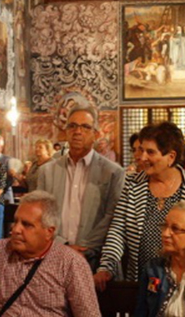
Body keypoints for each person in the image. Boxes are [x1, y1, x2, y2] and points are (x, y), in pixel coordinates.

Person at [94, 122, 185, 290]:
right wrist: (106, 268)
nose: (142, 157)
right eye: (140, 150)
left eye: (150, 152)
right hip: (140, 283)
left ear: (171, 157)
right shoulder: (131, 185)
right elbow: (117, 231)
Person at [38, 105, 125, 271]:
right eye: (72, 126)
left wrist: (84, 249)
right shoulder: (47, 171)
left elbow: (112, 217)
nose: (78, 131)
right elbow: (42, 215)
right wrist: (62, 246)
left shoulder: (113, 172)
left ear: (96, 134)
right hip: (54, 256)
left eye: (85, 127)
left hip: (95, 260)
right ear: (66, 131)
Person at [0, 134, 23, 203]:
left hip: (5, 196)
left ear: (1, 148)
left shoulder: (8, 161)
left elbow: (15, 178)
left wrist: (13, 174)